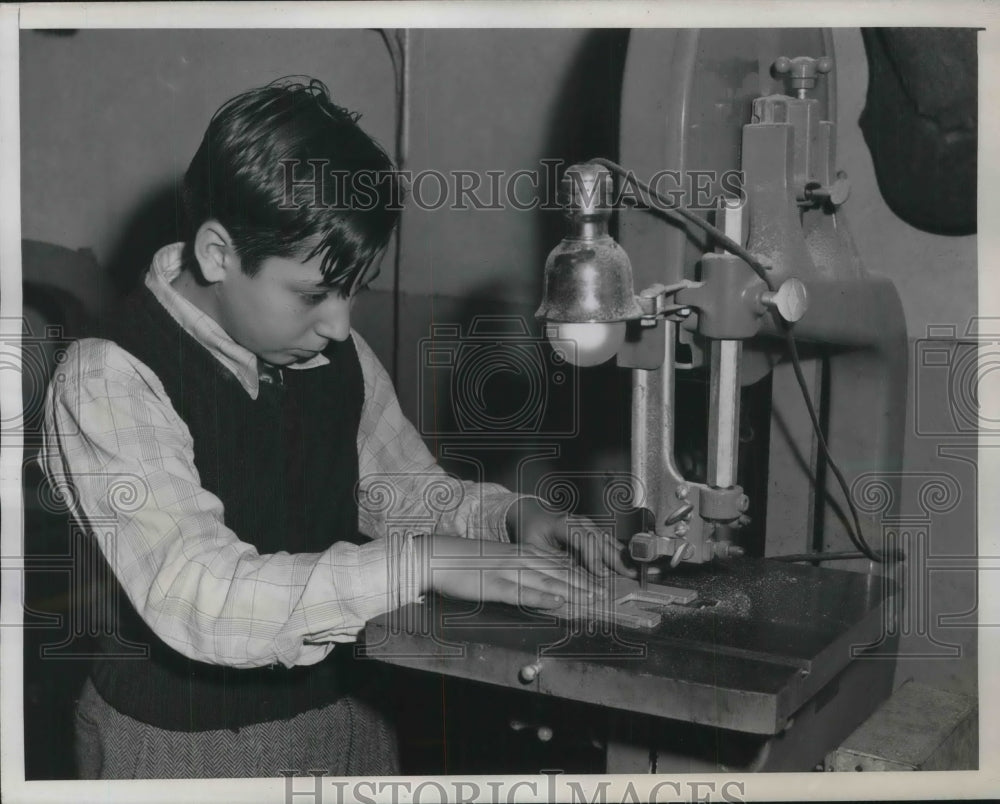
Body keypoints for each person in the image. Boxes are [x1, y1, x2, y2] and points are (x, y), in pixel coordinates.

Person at [41, 77, 632, 780]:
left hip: (351, 726)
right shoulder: (107, 377)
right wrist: (424, 560)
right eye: (314, 293)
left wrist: (508, 518)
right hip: (183, 754)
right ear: (217, 254)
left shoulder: (326, 347)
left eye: (353, 289)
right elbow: (200, 596)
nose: (340, 325)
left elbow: (401, 490)